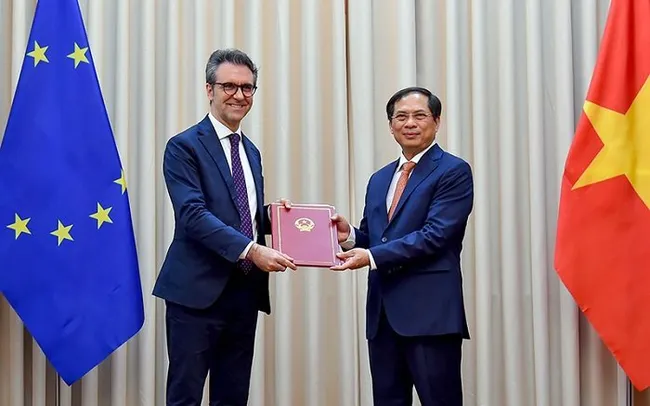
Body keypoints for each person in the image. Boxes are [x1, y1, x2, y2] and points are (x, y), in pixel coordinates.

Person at [153, 48, 297, 406]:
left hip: (243, 292)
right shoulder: (183, 146)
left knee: (233, 396)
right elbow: (193, 215)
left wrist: (280, 218)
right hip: (196, 294)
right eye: (229, 86)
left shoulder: (250, 151)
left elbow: (241, 213)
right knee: (185, 394)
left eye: (247, 88)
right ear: (209, 89)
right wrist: (252, 249)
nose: (239, 95)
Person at [331, 86, 474, 406]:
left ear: (436, 121)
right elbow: (375, 236)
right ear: (391, 125)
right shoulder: (380, 178)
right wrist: (349, 237)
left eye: (419, 115)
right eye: (401, 116)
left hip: (430, 316)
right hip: (382, 317)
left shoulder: (453, 171)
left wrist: (369, 256)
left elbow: (436, 235)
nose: (410, 123)